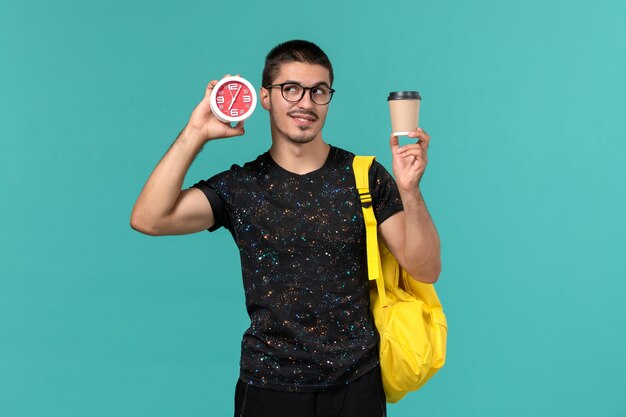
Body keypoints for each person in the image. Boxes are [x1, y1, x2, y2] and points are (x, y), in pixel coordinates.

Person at [130, 40, 441, 417]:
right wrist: (196, 131)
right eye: (290, 89)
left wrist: (410, 190)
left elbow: (425, 269)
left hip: (356, 386)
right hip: (267, 387)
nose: (305, 103)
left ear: (329, 97)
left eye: (318, 91)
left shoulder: (365, 176)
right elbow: (149, 218)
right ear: (265, 97)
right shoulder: (241, 187)